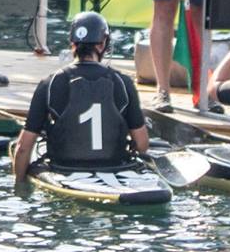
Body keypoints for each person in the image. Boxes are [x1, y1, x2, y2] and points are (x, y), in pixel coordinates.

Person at [10, 11, 148, 184]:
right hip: (115, 167)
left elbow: (23, 148)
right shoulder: (123, 82)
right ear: (103, 43)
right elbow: (142, 143)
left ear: (72, 44)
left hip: (63, 168)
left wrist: (20, 184)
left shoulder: (50, 84)